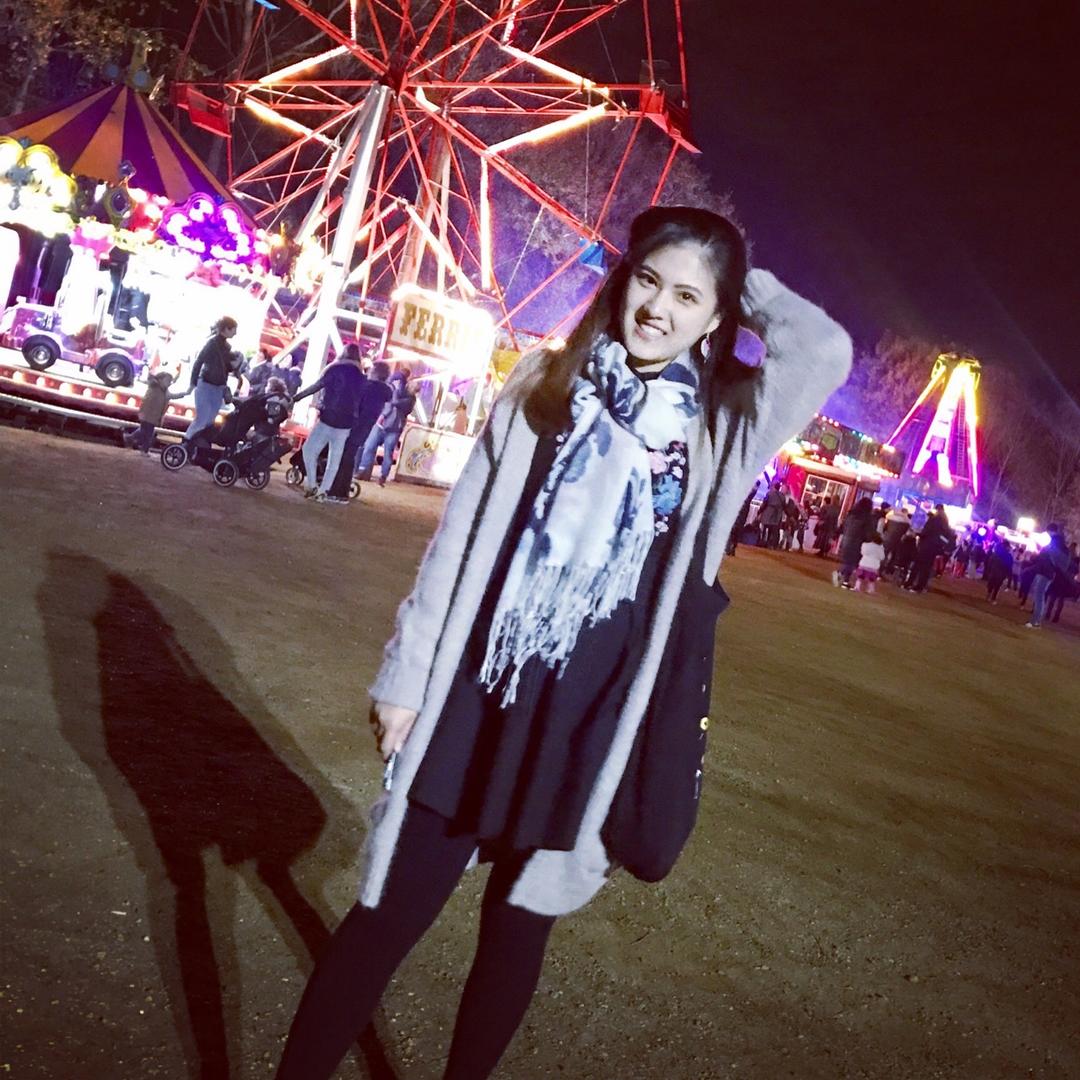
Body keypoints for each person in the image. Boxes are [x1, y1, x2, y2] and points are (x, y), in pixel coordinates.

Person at [274, 206, 852, 1080]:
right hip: (482, 692)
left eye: (688, 296)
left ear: (716, 316)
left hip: (589, 720)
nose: (658, 308)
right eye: (648, 280)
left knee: (516, 934)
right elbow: (459, 541)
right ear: (622, 282)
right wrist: (406, 676)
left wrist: (741, 278)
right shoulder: (543, 386)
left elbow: (822, 351)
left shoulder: (722, 424)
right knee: (384, 917)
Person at [293, 344, 367, 503]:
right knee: (334, 459)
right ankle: (323, 491)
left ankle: (312, 484)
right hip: (346, 423)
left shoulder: (335, 369)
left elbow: (317, 386)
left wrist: (297, 397)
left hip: (328, 418)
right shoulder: (362, 377)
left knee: (309, 450)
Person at [324, 359, 395, 503]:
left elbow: (355, 403)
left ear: (375, 372)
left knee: (343, 457)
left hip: (353, 425)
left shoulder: (368, 387)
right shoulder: (383, 392)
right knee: (349, 457)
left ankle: (337, 491)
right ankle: (341, 491)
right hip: (364, 428)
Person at [357, 370, 417, 486]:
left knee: (378, 449)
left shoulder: (408, 398)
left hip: (388, 425)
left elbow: (394, 402)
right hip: (391, 425)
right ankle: (368, 471)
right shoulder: (406, 396)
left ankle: (375, 473)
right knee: (375, 448)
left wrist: (394, 391)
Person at [184, 317, 237, 439]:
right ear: (226, 329)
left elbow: (200, 362)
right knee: (204, 419)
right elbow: (199, 362)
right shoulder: (214, 345)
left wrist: (193, 382)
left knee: (206, 419)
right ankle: (189, 440)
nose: (235, 333)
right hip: (210, 385)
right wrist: (192, 383)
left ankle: (192, 442)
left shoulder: (220, 345)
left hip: (210, 384)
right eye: (234, 329)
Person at [123, 368, 184, 454]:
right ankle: (142, 448)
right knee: (148, 433)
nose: (169, 383)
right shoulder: (156, 388)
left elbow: (172, 392)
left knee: (144, 431)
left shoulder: (161, 389)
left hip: (150, 415)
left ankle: (131, 439)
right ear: (160, 380)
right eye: (167, 381)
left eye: (169, 381)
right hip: (149, 414)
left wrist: (183, 393)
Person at [1026, 524, 1070, 629]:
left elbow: (1047, 556)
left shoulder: (1055, 542)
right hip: (1048, 572)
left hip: (1045, 572)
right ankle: (1036, 620)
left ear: (1049, 531)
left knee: (1039, 596)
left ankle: (1035, 621)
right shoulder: (1059, 542)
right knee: (1040, 595)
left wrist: (1039, 553)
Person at [906, 504, 954, 593]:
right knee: (926, 568)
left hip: (926, 546)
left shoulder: (934, 520)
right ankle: (921, 586)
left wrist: (917, 533)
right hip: (934, 548)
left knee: (917, 565)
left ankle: (910, 584)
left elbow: (926, 532)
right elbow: (945, 537)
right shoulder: (945, 523)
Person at [833, 496, 876, 588]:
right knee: (852, 563)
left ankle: (844, 580)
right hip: (857, 542)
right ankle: (841, 575)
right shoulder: (867, 518)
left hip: (846, 540)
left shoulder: (851, 514)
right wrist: (870, 540)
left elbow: (842, 527)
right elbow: (868, 533)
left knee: (848, 561)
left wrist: (836, 535)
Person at [880, 503, 911, 575]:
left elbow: (885, 529)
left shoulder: (890, 518)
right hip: (897, 541)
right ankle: (888, 570)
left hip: (887, 539)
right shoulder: (907, 522)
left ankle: (880, 570)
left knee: (884, 554)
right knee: (894, 556)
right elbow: (906, 534)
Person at [983, 538, 1014, 604]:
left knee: (991, 584)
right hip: (1001, 573)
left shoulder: (996, 552)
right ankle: (993, 598)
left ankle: (988, 596)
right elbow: (1009, 566)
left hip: (993, 571)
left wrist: (988, 570)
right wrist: (1008, 576)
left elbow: (990, 562)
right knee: (997, 586)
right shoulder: (1008, 556)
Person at [757, 480, 786, 549]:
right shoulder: (782, 496)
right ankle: (768, 542)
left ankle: (762, 540)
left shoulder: (769, 493)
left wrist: (760, 511)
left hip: (768, 511)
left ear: (774, 487)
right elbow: (784, 505)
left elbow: (765, 502)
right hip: (777, 513)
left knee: (764, 526)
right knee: (772, 528)